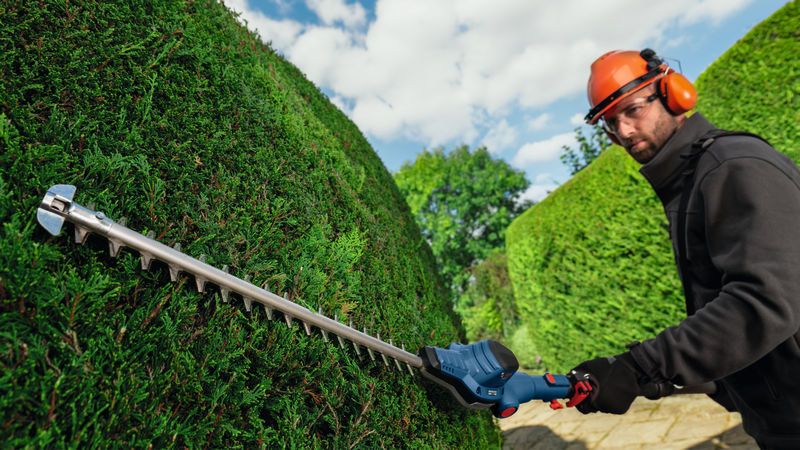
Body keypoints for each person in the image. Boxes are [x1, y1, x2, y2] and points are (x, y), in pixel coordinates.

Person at [570, 48, 800, 449]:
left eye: (632, 110)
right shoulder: (691, 180)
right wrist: (681, 381)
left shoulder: (732, 167)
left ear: (673, 94)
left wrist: (639, 366)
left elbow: (765, 301)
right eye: (610, 122)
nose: (623, 131)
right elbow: (721, 301)